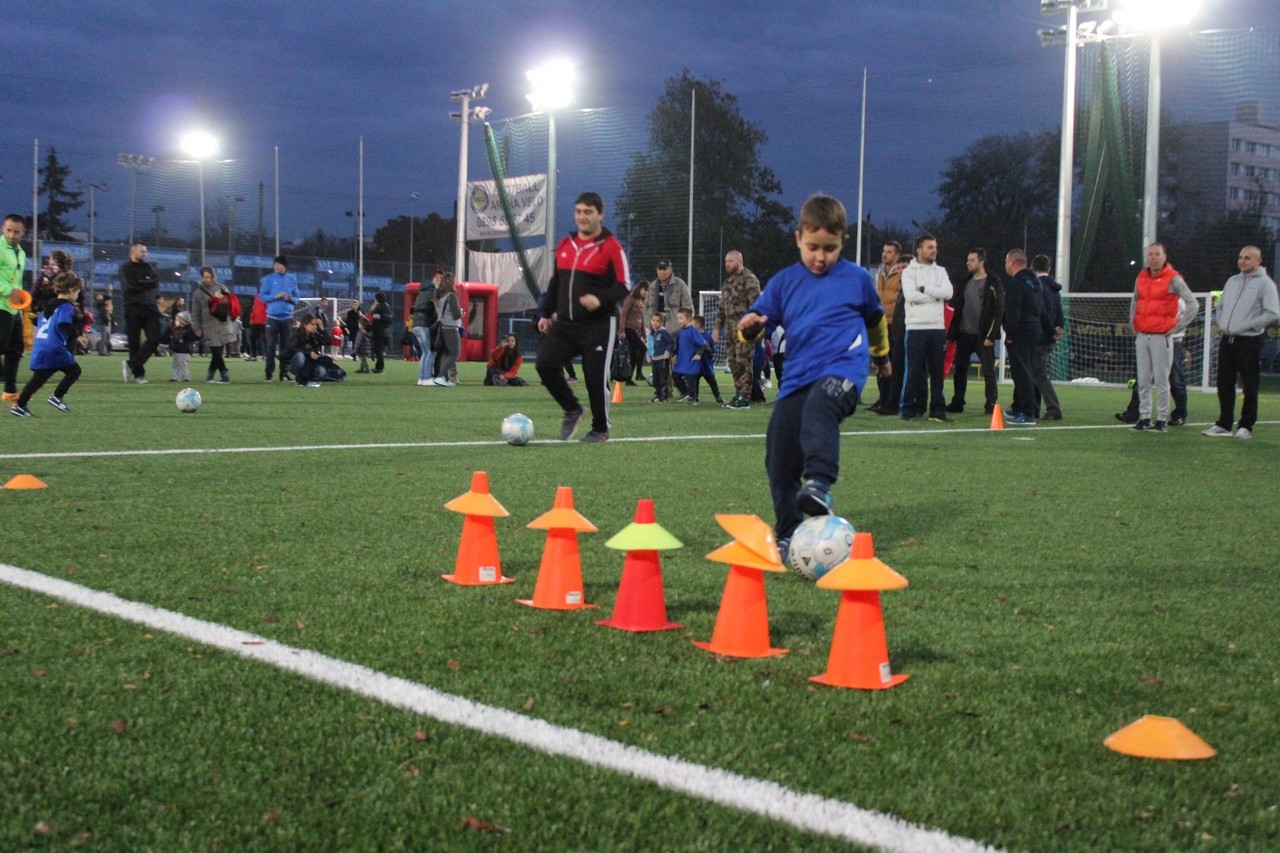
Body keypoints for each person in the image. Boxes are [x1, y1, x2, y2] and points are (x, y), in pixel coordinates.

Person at [736, 194, 889, 559]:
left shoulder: (856, 279)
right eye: (813, 247)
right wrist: (749, 328)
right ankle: (788, 530)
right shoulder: (784, 282)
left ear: (842, 243)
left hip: (843, 370)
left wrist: (881, 357)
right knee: (779, 452)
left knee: (821, 406)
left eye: (830, 249)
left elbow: (876, 319)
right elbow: (757, 323)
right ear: (798, 239)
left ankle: (819, 484)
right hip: (797, 379)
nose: (821, 257)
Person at [535, 191, 631, 443]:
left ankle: (600, 429)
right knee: (544, 364)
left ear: (600, 214)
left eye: (588, 212)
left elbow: (623, 286)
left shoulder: (612, 247)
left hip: (599, 324)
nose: (582, 217)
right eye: (578, 211)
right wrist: (546, 314)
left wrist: (600, 299)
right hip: (565, 324)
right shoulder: (566, 245)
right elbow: (556, 282)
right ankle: (572, 409)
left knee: (594, 377)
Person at [1203, 245, 1279, 440]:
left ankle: (1246, 426)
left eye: (1247, 258)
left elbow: (1272, 312)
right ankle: (1224, 424)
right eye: (1240, 257)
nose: (1242, 261)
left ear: (1258, 261)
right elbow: (1220, 306)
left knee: (1249, 383)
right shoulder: (1232, 281)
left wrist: (1250, 325)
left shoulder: (1265, 284)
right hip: (1227, 339)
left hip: (1249, 340)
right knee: (1224, 382)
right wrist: (1221, 322)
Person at [1128, 243, 1197, 433]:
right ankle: (1144, 417)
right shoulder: (1141, 276)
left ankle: (1161, 420)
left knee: (1161, 380)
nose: (1153, 257)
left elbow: (1192, 303)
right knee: (1142, 380)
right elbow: (1135, 299)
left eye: (1157, 254)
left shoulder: (1173, 278)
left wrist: (1177, 327)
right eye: (1150, 254)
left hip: (1161, 336)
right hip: (1143, 334)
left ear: (1164, 257)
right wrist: (1133, 323)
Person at [11, 271, 85, 416]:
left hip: (40, 349)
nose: (77, 296)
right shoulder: (66, 307)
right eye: (78, 292)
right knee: (74, 371)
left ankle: (20, 405)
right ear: (72, 290)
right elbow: (63, 323)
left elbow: (36, 321)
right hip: (54, 349)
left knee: (38, 380)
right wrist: (77, 336)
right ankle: (57, 396)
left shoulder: (48, 307)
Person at [899, 235, 953, 421]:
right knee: (914, 370)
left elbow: (949, 293)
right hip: (916, 328)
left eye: (935, 247)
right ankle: (908, 408)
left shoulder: (941, 271)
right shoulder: (909, 272)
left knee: (937, 373)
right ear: (919, 250)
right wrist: (936, 296)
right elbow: (911, 296)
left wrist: (926, 290)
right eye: (930, 247)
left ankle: (937, 410)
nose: (934, 250)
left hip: (937, 328)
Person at [945, 248, 1003, 415]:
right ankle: (957, 402)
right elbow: (957, 308)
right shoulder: (964, 282)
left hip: (982, 336)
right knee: (960, 370)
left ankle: (991, 403)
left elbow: (997, 312)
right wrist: (953, 333)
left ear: (981, 261)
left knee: (988, 371)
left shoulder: (993, 282)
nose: (968, 263)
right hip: (964, 333)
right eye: (968, 260)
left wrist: (990, 336)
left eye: (971, 260)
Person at [714, 251, 762, 409]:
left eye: (730, 261)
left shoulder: (750, 279)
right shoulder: (727, 283)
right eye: (726, 261)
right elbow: (722, 308)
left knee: (744, 362)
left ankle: (744, 397)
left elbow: (756, 305)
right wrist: (717, 327)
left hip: (744, 330)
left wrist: (753, 329)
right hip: (729, 330)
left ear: (739, 261)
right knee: (733, 363)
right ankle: (738, 394)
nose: (727, 264)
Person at [1002, 250, 1043, 425]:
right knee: (1029, 370)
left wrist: (1010, 333)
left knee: (1021, 372)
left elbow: (1013, 311)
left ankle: (1027, 412)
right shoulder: (1035, 282)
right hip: (1035, 329)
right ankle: (1024, 407)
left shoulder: (1016, 283)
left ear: (1011, 262)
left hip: (1021, 331)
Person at [118, 242, 163, 384]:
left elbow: (155, 281)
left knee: (155, 338)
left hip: (150, 308)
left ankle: (131, 365)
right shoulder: (125, 268)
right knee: (134, 343)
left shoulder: (148, 267)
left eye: (145, 251)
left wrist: (140, 283)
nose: (145, 254)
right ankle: (139, 375)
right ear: (133, 252)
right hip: (133, 308)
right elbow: (129, 287)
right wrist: (146, 282)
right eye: (142, 251)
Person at [868, 241, 904, 415]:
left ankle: (892, 400)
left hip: (895, 324)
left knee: (894, 364)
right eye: (884, 251)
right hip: (881, 324)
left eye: (889, 252)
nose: (884, 254)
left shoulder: (902, 272)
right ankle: (883, 398)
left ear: (896, 255)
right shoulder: (880, 273)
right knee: (880, 362)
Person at [1030, 254, 1064, 420]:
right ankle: (1033, 407)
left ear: (1032, 267)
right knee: (1036, 372)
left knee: (1039, 373)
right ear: (1049, 268)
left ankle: (1053, 408)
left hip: (1040, 336)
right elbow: (1059, 310)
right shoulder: (1054, 288)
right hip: (1051, 336)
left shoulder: (1037, 286)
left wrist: (1050, 329)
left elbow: (1041, 311)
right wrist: (1059, 328)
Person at [0, 215, 29, 402]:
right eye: (9, 230)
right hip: (1, 305)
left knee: (15, 349)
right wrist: (9, 291)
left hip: (14, 309)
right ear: (3, 228)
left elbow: (16, 280)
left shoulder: (21, 252)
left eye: (16, 231)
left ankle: (10, 392)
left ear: (22, 232)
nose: (12, 234)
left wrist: (20, 299)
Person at [191, 266, 236, 383]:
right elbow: (196, 312)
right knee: (216, 351)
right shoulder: (198, 293)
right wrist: (196, 328)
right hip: (209, 326)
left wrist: (223, 299)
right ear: (202, 277)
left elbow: (231, 303)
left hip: (223, 324)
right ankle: (224, 374)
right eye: (206, 277)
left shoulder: (221, 287)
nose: (209, 279)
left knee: (218, 353)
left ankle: (210, 375)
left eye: (211, 277)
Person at [258, 255, 299, 381]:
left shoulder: (292, 279)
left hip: (287, 318)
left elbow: (297, 299)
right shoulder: (269, 279)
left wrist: (290, 298)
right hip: (272, 318)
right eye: (275, 264)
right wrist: (275, 296)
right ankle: (268, 374)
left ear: (284, 266)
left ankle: (284, 373)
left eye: (279, 264)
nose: (276, 266)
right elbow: (262, 297)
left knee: (286, 347)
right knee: (270, 346)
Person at [290, 314, 344, 387]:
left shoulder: (315, 334)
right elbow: (292, 348)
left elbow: (328, 342)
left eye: (316, 325)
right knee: (300, 356)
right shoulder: (296, 333)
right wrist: (309, 352)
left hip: (311, 363)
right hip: (296, 362)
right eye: (312, 324)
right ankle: (299, 378)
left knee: (321, 371)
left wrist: (322, 328)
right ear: (305, 324)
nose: (315, 327)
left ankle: (310, 377)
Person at [431, 276, 462, 386]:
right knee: (454, 353)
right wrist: (462, 312)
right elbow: (456, 314)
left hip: (442, 327)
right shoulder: (451, 296)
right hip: (450, 327)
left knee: (445, 353)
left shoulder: (439, 296)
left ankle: (443, 377)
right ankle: (440, 376)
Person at [673, 308, 708, 404]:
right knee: (675, 375)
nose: (678, 320)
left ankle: (693, 398)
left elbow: (702, 344)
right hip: (681, 360)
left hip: (691, 360)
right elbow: (678, 346)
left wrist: (698, 354)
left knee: (690, 380)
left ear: (689, 319)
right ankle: (685, 392)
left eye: (681, 318)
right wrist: (672, 353)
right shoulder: (680, 332)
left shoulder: (693, 331)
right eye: (678, 318)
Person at [619, 280, 649, 385]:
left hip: (636, 330)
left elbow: (642, 319)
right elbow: (623, 315)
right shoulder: (630, 299)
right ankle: (638, 374)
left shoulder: (641, 301)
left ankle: (629, 379)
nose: (646, 292)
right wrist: (622, 331)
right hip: (629, 329)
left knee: (633, 355)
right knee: (643, 348)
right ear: (639, 288)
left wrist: (644, 334)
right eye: (645, 290)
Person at [691, 315, 726, 405]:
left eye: (693, 323)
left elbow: (712, 350)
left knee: (712, 382)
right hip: (696, 365)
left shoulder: (708, 336)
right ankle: (695, 398)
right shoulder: (692, 335)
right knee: (694, 382)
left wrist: (706, 347)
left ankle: (718, 397)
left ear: (698, 324)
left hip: (706, 364)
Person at [411, 274, 438, 385]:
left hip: (415, 325)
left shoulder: (420, 295)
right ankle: (427, 378)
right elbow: (434, 311)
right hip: (424, 325)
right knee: (430, 352)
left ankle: (421, 378)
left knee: (424, 353)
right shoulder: (432, 294)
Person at [647, 312, 674, 403]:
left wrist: (667, 352)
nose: (655, 323)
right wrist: (648, 355)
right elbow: (649, 345)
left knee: (663, 378)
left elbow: (671, 342)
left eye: (658, 321)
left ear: (662, 323)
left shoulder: (663, 332)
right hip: (654, 359)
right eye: (653, 320)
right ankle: (658, 394)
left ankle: (663, 396)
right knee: (655, 379)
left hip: (662, 358)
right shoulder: (652, 333)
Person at [165, 312, 196, 381]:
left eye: (179, 319)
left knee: (183, 364)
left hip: (184, 349)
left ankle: (186, 376)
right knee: (175, 363)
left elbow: (192, 337)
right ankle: (175, 376)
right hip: (177, 348)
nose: (176, 320)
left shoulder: (189, 328)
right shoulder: (176, 328)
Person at [369, 290, 392, 374]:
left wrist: (371, 329)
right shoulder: (387, 307)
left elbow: (376, 321)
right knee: (381, 350)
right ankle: (379, 367)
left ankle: (379, 368)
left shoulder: (378, 308)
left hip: (379, 332)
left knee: (378, 350)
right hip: (387, 331)